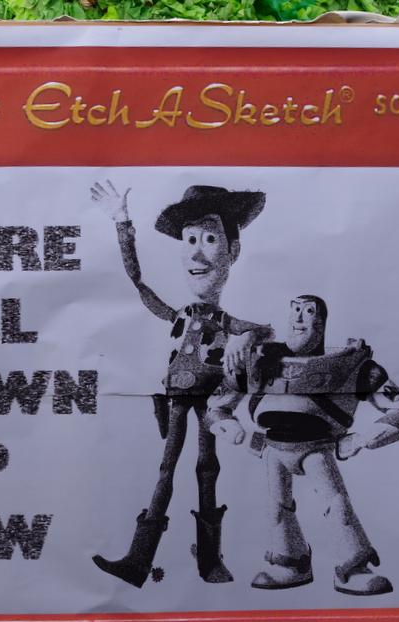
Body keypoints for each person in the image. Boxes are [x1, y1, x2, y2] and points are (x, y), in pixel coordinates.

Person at [90, 181, 272, 587]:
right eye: (190, 239)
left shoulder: (224, 321)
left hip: (211, 401)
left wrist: (244, 338)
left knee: (207, 468)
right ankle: (139, 560)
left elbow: (264, 330)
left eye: (210, 239)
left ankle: (210, 560)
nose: (196, 252)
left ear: (233, 251)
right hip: (175, 397)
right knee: (167, 468)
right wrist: (122, 223)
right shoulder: (181, 314)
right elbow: (139, 284)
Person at [206, 294, 399, 592]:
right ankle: (291, 563)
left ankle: (354, 567)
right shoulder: (257, 361)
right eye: (295, 310)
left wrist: (365, 439)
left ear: (321, 321)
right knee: (276, 509)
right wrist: (228, 427)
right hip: (272, 448)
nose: (299, 317)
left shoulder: (352, 365)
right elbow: (215, 406)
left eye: (308, 311)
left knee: (337, 506)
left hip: (317, 448)